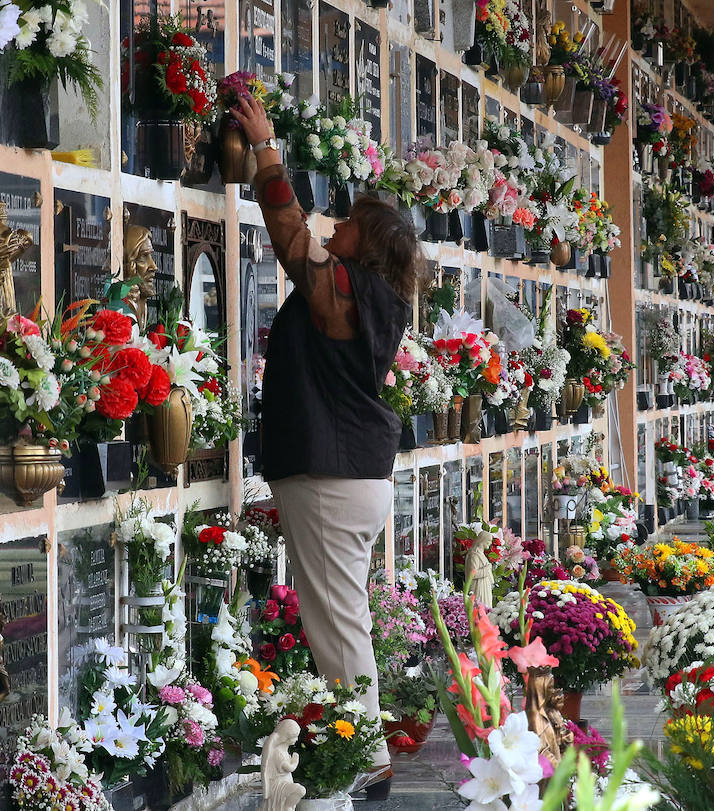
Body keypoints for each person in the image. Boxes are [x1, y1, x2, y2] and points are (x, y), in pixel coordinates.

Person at [232, 94, 419, 799]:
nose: (333, 229)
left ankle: (365, 760)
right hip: (350, 475)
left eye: (347, 227)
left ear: (364, 247)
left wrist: (267, 147)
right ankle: (361, 748)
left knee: (338, 621)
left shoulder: (348, 293)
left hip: (334, 476)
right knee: (343, 617)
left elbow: (289, 242)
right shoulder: (370, 295)